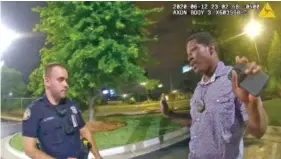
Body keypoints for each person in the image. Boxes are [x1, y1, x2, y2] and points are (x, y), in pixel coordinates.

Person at [160, 32, 268, 159]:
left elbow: (258, 131)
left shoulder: (234, 79)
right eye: (188, 55)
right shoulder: (198, 90)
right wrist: (169, 114)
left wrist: (253, 103)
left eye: (193, 50)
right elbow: (194, 121)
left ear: (211, 49)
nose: (189, 58)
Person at [22, 63, 103, 159]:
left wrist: (98, 157)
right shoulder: (34, 111)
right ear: (47, 81)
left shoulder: (72, 105)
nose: (66, 84)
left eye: (66, 80)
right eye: (60, 80)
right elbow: (29, 149)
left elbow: (84, 131)